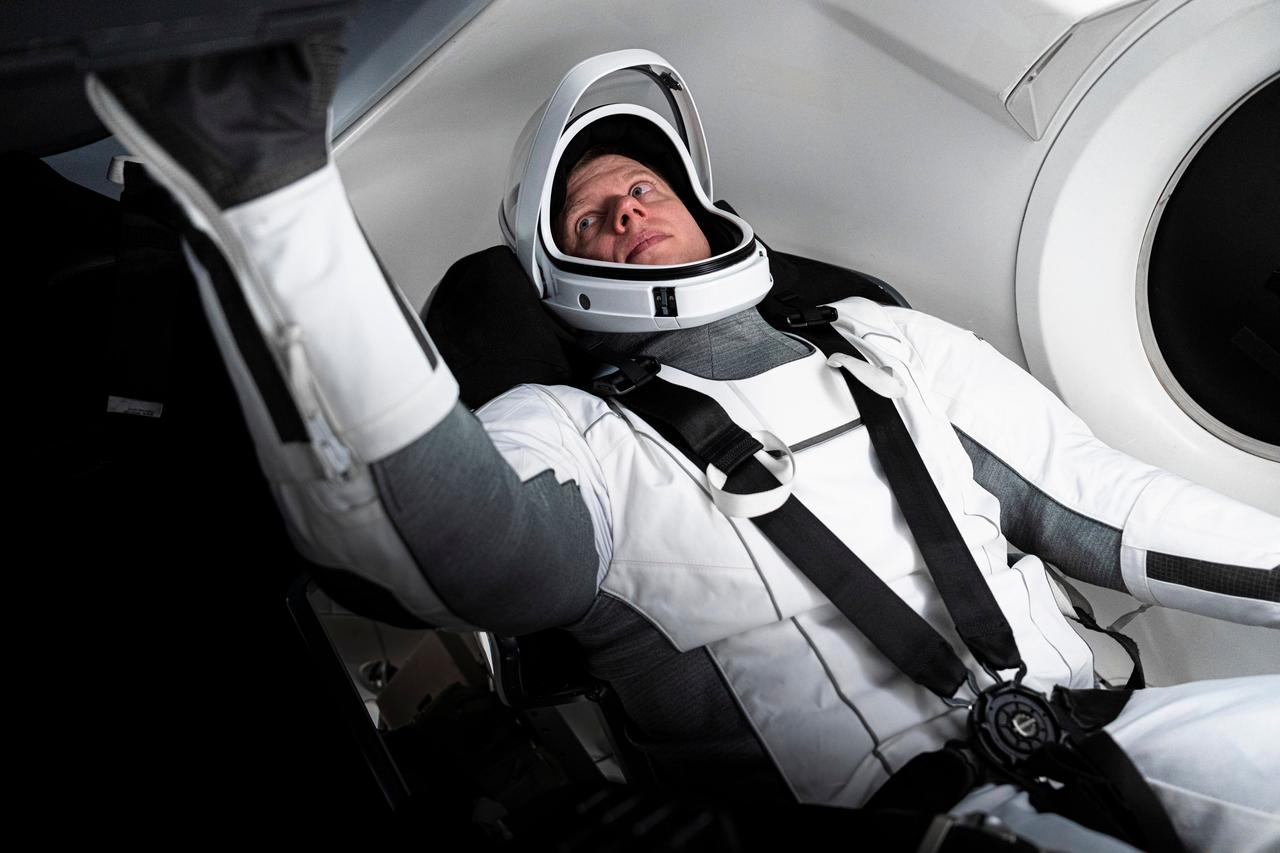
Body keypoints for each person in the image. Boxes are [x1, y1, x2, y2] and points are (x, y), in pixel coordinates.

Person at [87, 40, 1278, 852]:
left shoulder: (886, 346)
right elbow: (441, 548)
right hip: (905, 823)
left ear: (697, 204)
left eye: (642, 185)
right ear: (557, 272)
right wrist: (280, 201)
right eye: (586, 212)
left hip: (1114, 726)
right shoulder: (570, 435)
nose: (625, 207)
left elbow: (1106, 514)